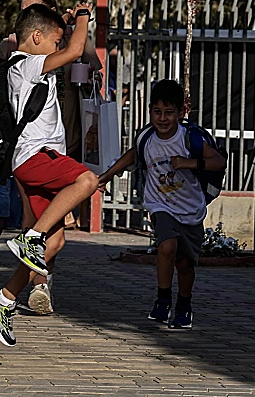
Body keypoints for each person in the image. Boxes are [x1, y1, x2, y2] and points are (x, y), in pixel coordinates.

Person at [0, 3, 99, 347]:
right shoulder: (27, 64)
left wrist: (62, 23)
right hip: (35, 157)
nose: (59, 49)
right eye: (54, 41)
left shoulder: (26, 69)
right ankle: (29, 238)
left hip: (38, 160)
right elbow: (77, 50)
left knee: (55, 241)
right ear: (35, 37)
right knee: (87, 181)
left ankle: (2, 299)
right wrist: (83, 18)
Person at [97, 80, 226, 329]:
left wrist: (189, 163)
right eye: (157, 112)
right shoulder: (147, 138)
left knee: (186, 264)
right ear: (149, 111)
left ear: (180, 112)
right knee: (167, 246)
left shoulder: (190, 138)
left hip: (190, 209)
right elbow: (132, 155)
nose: (163, 119)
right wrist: (107, 175)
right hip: (160, 205)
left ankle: (184, 305)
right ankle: (163, 298)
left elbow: (218, 162)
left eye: (169, 113)